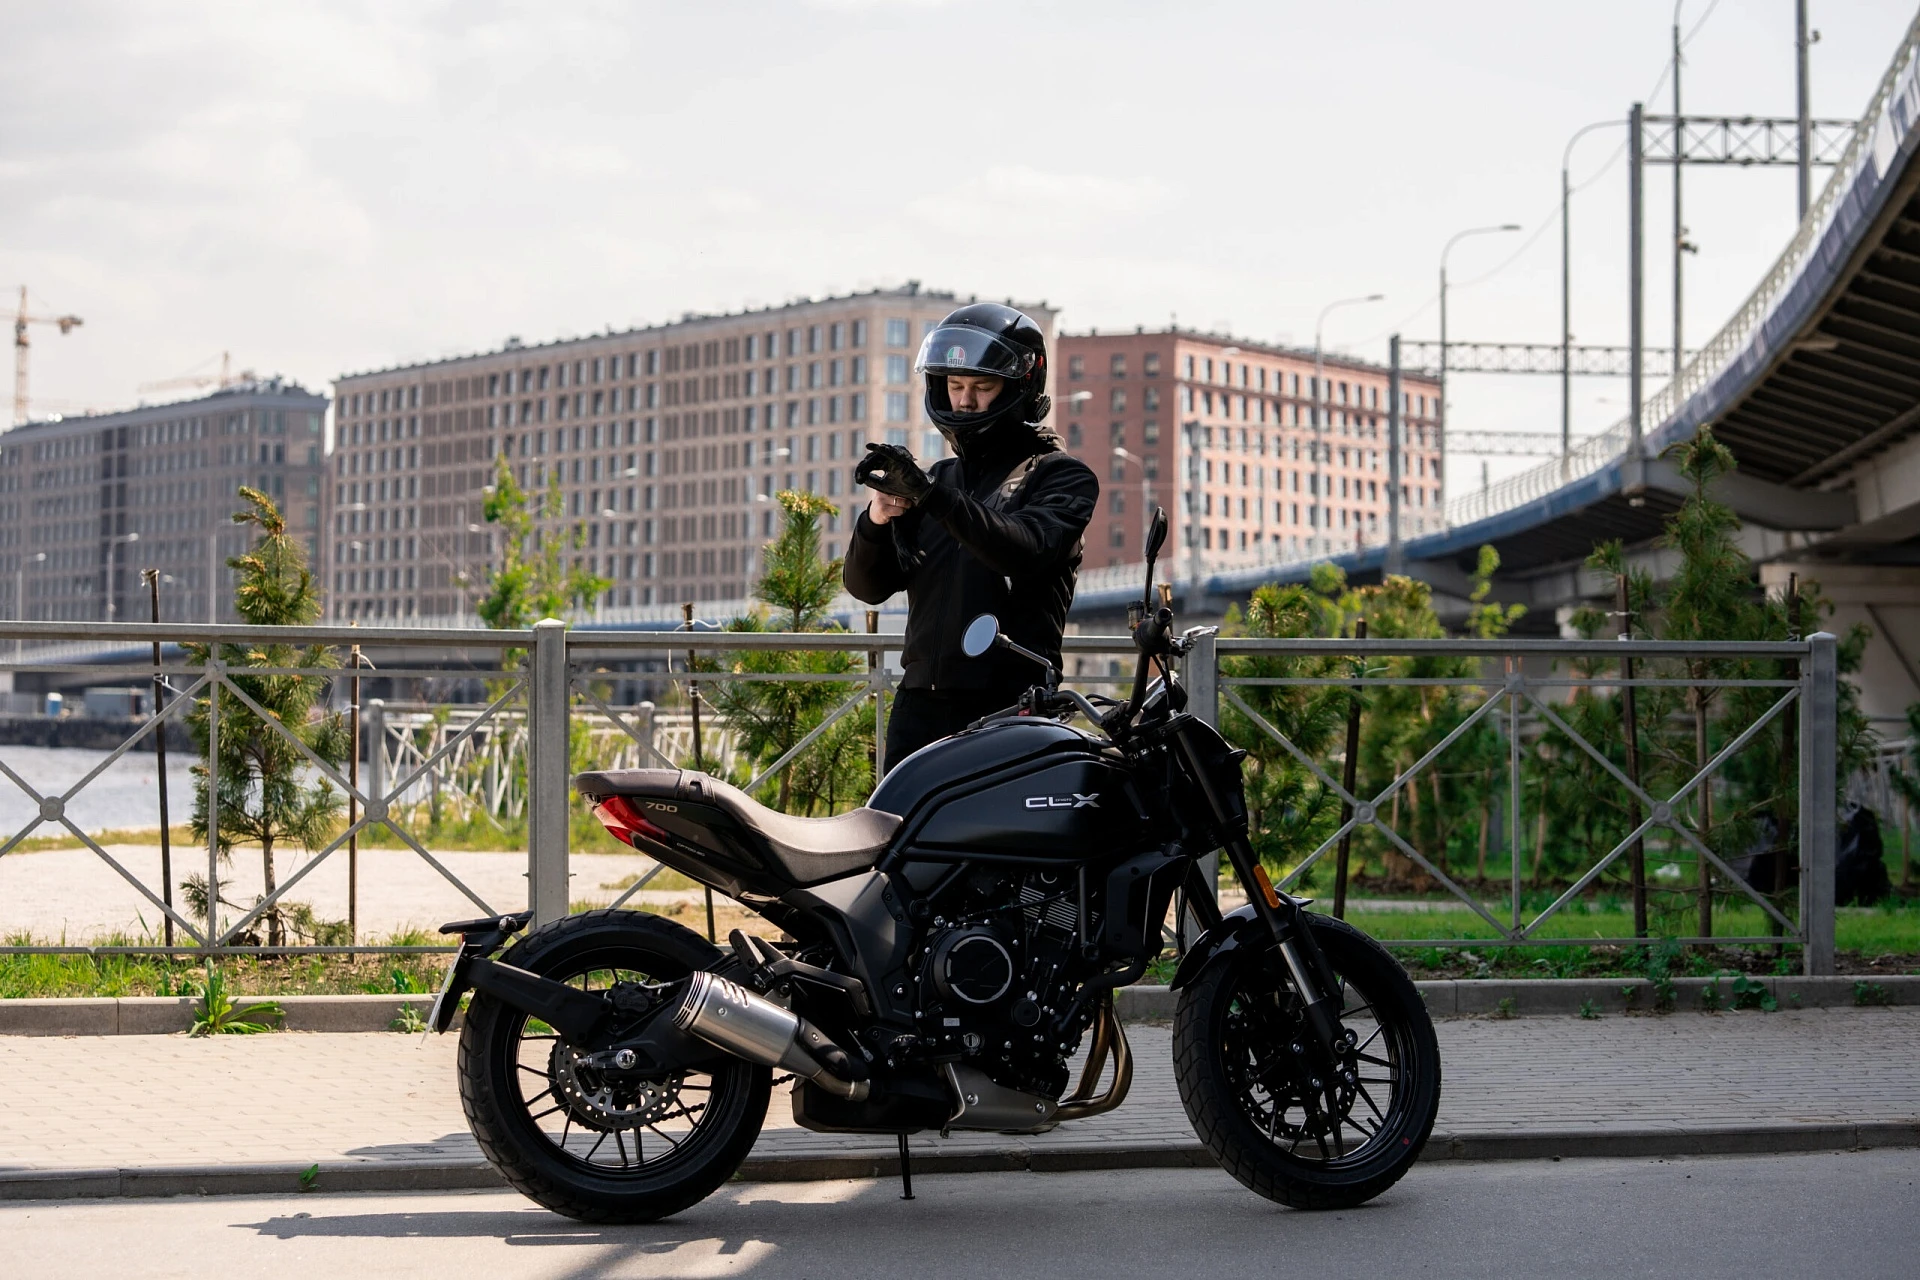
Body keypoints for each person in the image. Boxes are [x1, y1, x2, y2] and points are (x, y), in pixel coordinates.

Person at [843, 302, 1098, 769]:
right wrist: (876, 521)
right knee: (894, 816)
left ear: (1020, 387)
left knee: (998, 819)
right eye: (956, 386)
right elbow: (868, 587)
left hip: (1010, 707)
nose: (965, 401)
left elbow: (1024, 550)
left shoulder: (1061, 477)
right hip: (919, 705)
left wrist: (933, 497)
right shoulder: (938, 480)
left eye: (982, 387)